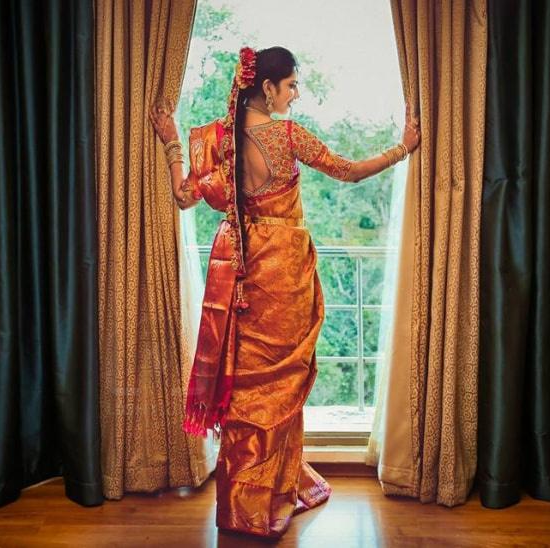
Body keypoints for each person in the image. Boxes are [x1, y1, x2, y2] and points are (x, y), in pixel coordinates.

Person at [148, 46, 420, 539]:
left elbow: (184, 197)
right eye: (292, 84)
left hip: (243, 272)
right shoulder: (287, 135)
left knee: (247, 389)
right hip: (283, 274)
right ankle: (269, 495)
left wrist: (172, 144)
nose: (296, 93)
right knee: (280, 386)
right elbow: (350, 170)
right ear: (267, 88)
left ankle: (241, 507)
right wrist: (402, 149)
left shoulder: (220, 140)